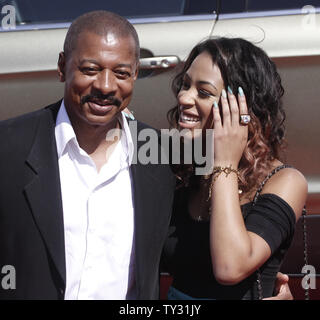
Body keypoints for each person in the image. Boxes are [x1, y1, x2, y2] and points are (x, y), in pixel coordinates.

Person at [0, 10, 176, 300]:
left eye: (121, 73)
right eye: (91, 69)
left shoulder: (160, 156)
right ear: (62, 66)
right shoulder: (9, 147)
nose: (105, 86)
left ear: (135, 75)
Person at [164, 37, 307, 299]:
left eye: (204, 92)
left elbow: (230, 267)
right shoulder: (180, 169)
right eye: (185, 85)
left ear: (244, 109)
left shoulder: (284, 181)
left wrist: (224, 164)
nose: (184, 97)